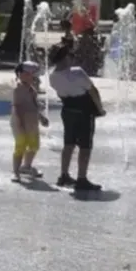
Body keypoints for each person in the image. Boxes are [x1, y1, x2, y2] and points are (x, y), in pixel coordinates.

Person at [48, 46, 105, 191]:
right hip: (83, 111)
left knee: (68, 144)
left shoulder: (52, 76)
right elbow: (93, 91)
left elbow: (62, 94)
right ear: (66, 57)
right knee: (85, 146)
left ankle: (64, 175)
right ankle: (82, 178)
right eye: (71, 55)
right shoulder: (77, 72)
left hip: (67, 110)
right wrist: (100, 109)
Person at [11, 62, 48, 181]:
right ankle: (16, 172)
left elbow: (35, 104)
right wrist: (19, 123)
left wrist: (41, 117)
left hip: (32, 123)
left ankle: (26, 166)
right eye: (33, 76)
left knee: (34, 146)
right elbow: (16, 107)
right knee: (20, 146)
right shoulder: (18, 89)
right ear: (22, 75)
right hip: (20, 122)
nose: (36, 79)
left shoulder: (31, 89)